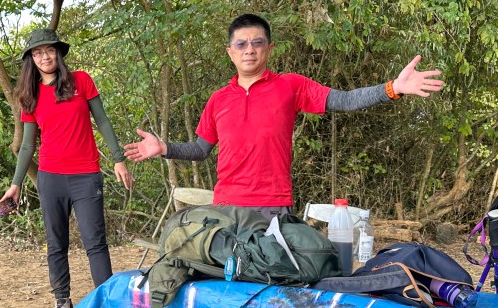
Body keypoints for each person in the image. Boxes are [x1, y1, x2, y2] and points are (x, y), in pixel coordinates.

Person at [123, 13, 443, 218]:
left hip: (272, 206)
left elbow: (344, 100)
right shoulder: (218, 99)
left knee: (271, 289)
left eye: (257, 42)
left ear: (269, 48)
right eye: (241, 44)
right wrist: (164, 148)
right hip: (226, 206)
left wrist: (393, 87)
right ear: (230, 52)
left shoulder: (290, 85)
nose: (249, 49)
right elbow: (200, 149)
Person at [0, 28, 133, 308]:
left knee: (95, 241)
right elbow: (27, 145)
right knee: (56, 242)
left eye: (49, 50)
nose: (44, 57)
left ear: (58, 53)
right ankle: (62, 302)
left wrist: (118, 159)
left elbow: (102, 120)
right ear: (31, 59)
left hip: (86, 175)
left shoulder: (81, 81)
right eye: (37, 53)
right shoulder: (30, 96)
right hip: (51, 178)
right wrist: (15, 184)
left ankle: (108, 304)